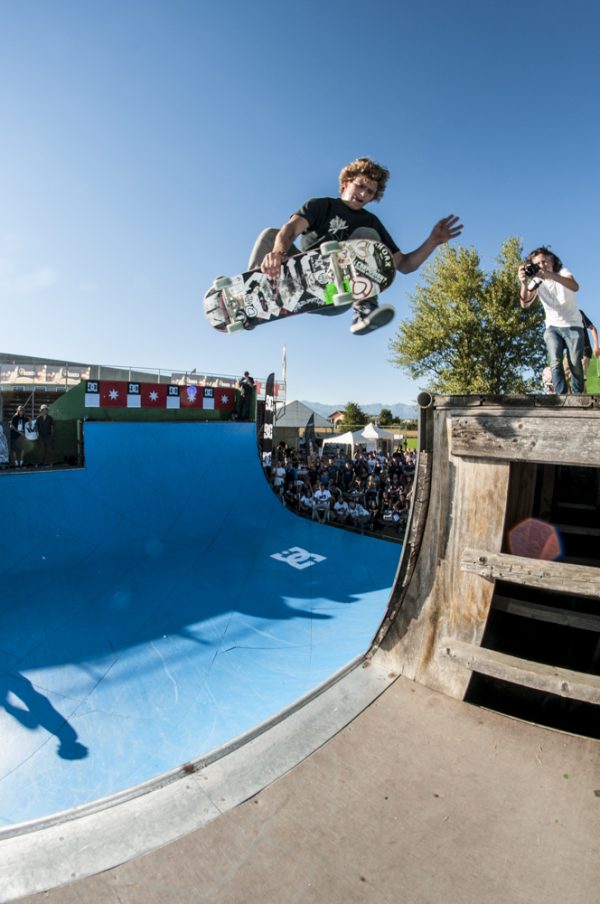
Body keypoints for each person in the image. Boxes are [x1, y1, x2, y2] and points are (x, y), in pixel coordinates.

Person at [248, 157, 463, 335]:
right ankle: (248, 296)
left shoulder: (370, 222)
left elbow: (405, 265)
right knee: (271, 235)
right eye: (360, 186)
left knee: (368, 236)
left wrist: (433, 241)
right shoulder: (320, 206)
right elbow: (290, 231)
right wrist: (277, 253)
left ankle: (364, 309)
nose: (363, 194)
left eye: (370, 192)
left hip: (339, 294)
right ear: (345, 183)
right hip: (306, 280)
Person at [518, 247, 585, 395]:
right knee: (555, 361)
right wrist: (523, 283)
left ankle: (578, 395)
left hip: (573, 325)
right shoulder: (537, 280)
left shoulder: (563, 273)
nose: (542, 266)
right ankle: (560, 396)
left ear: (552, 261)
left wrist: (550, 275)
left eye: (545, 261)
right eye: (538, 264)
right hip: (552, 327)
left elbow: (575, 286)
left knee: (574, 363)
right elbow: (525, 304)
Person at [579, 309, 600, 378]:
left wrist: (596, 346)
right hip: (571, 353)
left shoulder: (578, 312)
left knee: (579, 381)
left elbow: (592, 328)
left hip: (584, 352)